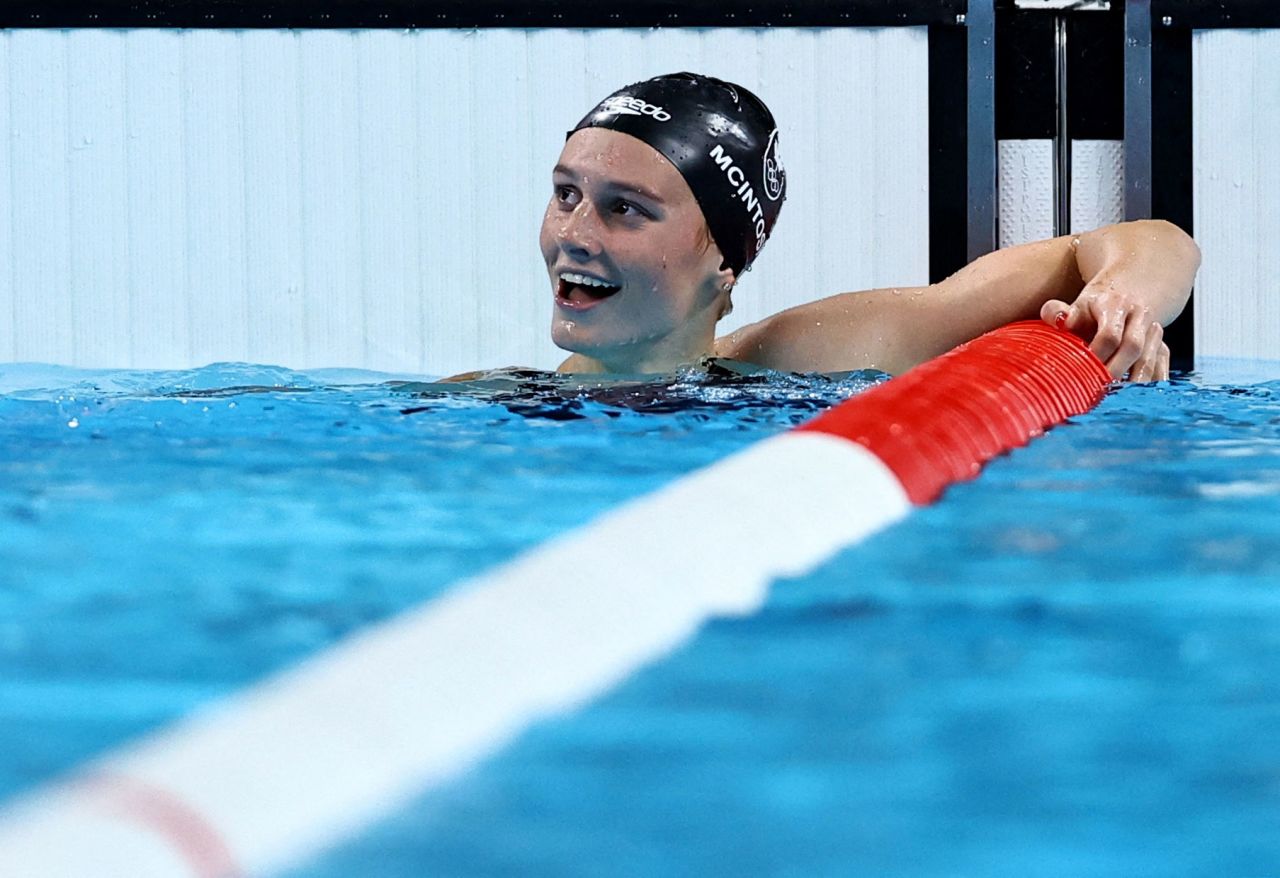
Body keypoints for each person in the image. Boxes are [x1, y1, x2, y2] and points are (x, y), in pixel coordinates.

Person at [540, 72, 1198, 382]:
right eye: (566, 193)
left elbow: (1155, 241)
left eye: (625, 207)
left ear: (725, 262)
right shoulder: (491, 403)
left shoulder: (792, 359)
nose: (573, 231)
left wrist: (1122, 301)